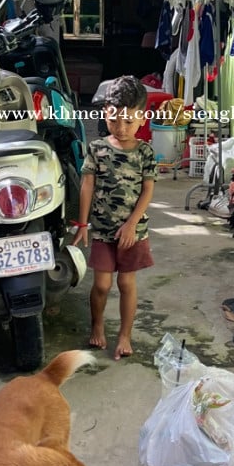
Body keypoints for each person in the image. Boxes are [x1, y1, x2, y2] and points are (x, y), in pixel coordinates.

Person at [72, 75, 157, 360]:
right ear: (105, 114)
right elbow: (87, 185)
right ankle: (97, 324)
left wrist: (131, 225)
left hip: (133, 232)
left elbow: (147, 190)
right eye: (113, 119)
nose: (121, 128)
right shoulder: (97, 148)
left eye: (128, 121)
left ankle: (124, 335)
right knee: (102, 285)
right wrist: (82, 224)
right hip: (102, 230)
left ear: (142, 119)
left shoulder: (145, 152)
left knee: (126, 284)